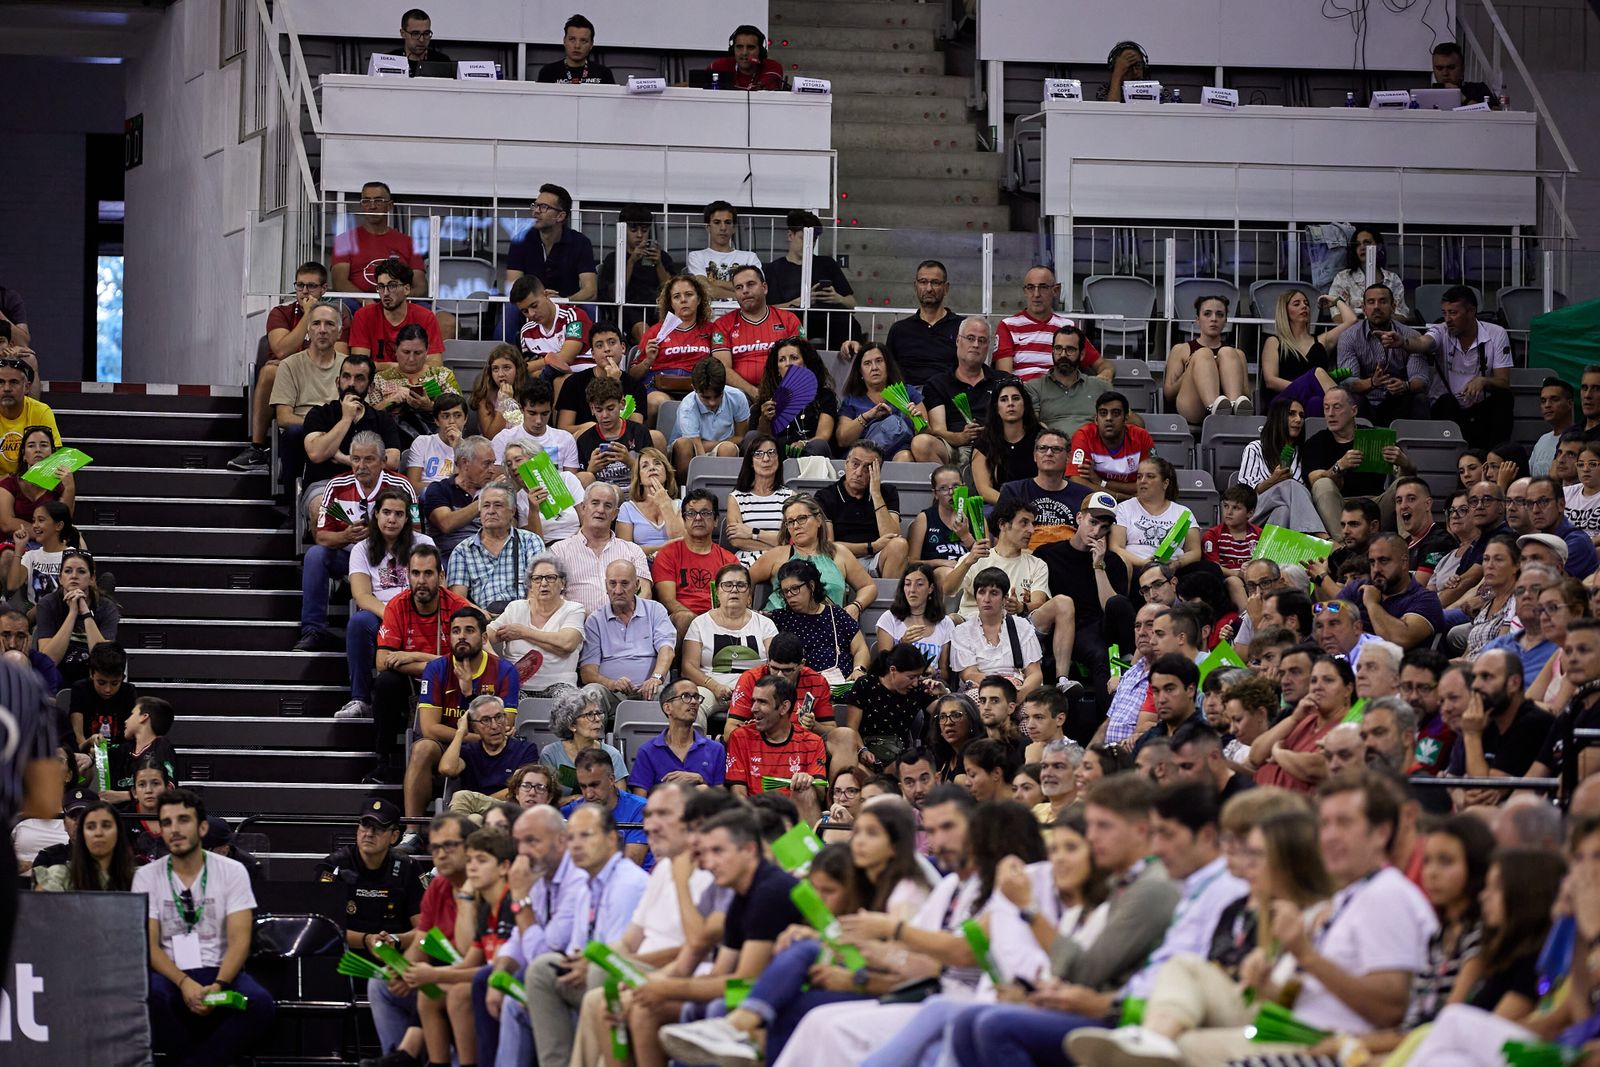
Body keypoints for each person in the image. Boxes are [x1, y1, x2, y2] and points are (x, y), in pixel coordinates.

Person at [135, 788, 275, 1064]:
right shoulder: (146, 876)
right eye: (167, 822)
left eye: (183, 820)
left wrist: (219, 984)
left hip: (222, 971)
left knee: (260, 1004)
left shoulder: (232, 871)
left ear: (202, 827)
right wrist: (184, 982)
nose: (174, 829)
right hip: (171, 974)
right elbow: (149, 946)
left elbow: (240, 940)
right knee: (153, 997)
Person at [362, 812, 473, 1061]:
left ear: (470, 847)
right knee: (380, 984)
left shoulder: (481, 885)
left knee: (433, 985)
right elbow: (422, 937)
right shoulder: (439, 885)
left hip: (468, 976)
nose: (441, 854)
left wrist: (424, 972)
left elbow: (474, 957)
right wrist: (404, 968)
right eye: (435, 847)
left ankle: (408, 1055)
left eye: (449, 845)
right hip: (440, 973)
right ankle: (396, 1056)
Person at [297, 431, 416, 652]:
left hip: (390, 557)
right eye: (355, 459)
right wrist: (345, 537)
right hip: (348, 553)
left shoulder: (402, 486)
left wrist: (380, 533)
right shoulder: (336, 486)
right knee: (315, 555)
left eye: (368, 459)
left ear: (383, 462)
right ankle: (313, 631)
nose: (361, 465)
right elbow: (321, 536)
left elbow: (416, 534)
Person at [403, 606, 519, 819]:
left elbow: (506, 724)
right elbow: (429, 728)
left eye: (469, 630)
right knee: (422, 748)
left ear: (484, 637)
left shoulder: (505, 670)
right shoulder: (436, 668)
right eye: (456, 631)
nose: (461, 636)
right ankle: (412, 831)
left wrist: (469, 693)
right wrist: (474, 736)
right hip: (450, 744)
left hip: (489, 747)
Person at [1383, 284, 1514, 449]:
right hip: (1447, 406)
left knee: (1504, 398)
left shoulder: (1496, 333)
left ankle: (1497, 457)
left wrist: (1483, 381)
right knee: (1446, 402)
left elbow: (1504, 381)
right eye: (1444, 313)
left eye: (1453, 313)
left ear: (1471, 312)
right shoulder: (1440, 330)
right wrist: (1403, 342)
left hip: (1480, 405)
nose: (1447, 319)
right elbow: (1423, 343)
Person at [315, 797, 422, 955]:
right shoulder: (333, 867)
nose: (369, 834)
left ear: (394, 836)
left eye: (379, 828)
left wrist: (396, 940)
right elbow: (323, 927)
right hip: (345, 959)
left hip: (393, 959)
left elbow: (425, 929)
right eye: (365, 825)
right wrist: (366, 940)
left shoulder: (409, 868)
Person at [1303, 384, 1414, 534]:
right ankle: (1341, 547)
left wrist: (1404, 463)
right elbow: (1315, 480)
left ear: (1353, 411)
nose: (1330, 414)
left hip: (1375, 505)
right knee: (1323, 483)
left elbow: (1404, 477)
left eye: (1337, 407)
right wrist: (1339, 466)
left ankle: (1408, 545)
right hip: (1339, 507)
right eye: (1326, 408)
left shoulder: (1374, 437)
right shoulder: (1317, 442)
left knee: (1404, 485)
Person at [752, 493, 877, 619]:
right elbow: (745, 580)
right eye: (790, 522)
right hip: (781, 630)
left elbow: (868, 586)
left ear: (818, 520)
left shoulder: (839, 553)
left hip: (827, 629)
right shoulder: (777, 555)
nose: (796, 526)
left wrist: (856, 606)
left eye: (802, 518)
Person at [578, 558, 675, 712]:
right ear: (605, 586)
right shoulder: (595, 620)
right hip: (611, 693)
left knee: (670, 697)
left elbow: (667, 650)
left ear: (636, 585)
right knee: (590, 694)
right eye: (612, 583)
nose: (618, 590)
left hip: (652, 689)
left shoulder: (655, 610)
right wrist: (612, 684)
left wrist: (655, 678)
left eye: (624, 583)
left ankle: (666, 737)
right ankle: (591, 737)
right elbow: (587, 672)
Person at [681, 562, 775, 715]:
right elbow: (688, 667)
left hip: (756, 692)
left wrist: (753, 689)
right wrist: (715, 687)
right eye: (727, 585)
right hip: (711, 689)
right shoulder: (700, 623)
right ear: (717, 591)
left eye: (741, 585)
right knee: (691, 708)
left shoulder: (765, 624)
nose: (734, 590)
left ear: (749, 593)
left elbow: (775, 663)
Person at [1252, 653, 1356, 792]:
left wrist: (1277, 752)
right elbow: (1256, 755)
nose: (1318, 687)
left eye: (1328, 680)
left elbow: (1313, 768)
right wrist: (1294, 718)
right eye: (1313, 681)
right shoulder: (1302, 719)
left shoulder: (1350, 726)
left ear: (1348, 689)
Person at [486, 553, 586, 699]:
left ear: (563, 583)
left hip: (560, 685)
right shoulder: (516, 608)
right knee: (505, 699)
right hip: (517, 685)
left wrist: (523, 632)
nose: (543, 584)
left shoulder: (574, 609)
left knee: (569, 702)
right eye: (537, 579)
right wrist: (499, 662)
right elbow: (482, 637)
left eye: (551, 578)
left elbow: (567, 643)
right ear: (530, 585)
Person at [547, 482, 651, 614]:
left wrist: (622, 619)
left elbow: (645, 593)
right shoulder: (559, 551)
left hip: (625, 625)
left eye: (607, 506)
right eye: (595, 503)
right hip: (579, 628)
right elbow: (554, 597)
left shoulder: (632, 551)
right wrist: (590, 621)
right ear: (583, 507)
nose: (601, 510)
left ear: (615, 514)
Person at [445, 480, 544, 615]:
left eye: (498, 505)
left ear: (512, 511)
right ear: (480, 512)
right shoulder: (462, 551)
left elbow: (540, 588)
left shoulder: (530, 541)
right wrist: (481, 615)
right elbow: (457, 599)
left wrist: (522, 616)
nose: (491, 511)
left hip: (526, 617)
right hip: (484, 621)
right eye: (486, 506)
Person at [766, 208, 860, 350]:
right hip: (791, 322)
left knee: (849, 324)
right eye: (804, 238)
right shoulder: (773, 269)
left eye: (814, 239)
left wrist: (838, 298)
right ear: (790, 235)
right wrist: (797, 303)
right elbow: (766, 310)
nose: (809, 244)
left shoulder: (827, 264)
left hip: (829, 321)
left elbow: (852, 304)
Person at [996, 266, 1108, 384]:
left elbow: (1103, 365)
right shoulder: (1008, 326)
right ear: (1025, 291)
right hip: (1024, 395)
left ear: (1056, 290)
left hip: (1060, 395)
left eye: (1043, 287)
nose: (1036, 294)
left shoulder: (1067, 327)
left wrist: (1106, 374)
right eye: (1030, 287)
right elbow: (1006, 380)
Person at [1336, 282, 1428, 426]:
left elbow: (1421, 379)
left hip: (1398, 401)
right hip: (1365, 401)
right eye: (1371, 302)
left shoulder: (1411, 336)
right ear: (1364, 308)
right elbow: (1348, 381)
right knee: (1352, 398)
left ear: (1393, 307)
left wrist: (1406, 385)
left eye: (1383, 301)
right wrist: (1372, 382)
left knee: (1419, 398)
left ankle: (1416, 447)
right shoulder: (1349, 337)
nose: (1377, 307)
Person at [817, 440, 912, 579]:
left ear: (877, 471)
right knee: (835, 557)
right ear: (846, 463)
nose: (859, 472)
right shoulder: (826, 496)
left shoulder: (887, 492)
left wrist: (876, 494)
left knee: (899, 545)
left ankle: (889, 600)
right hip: (842, 559)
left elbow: (892, 536)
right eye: (855, 464)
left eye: (868, 468)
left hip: (877, 560)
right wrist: (871, 547)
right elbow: (828, 546)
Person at [835, 342, 943, 463]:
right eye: (867, 363)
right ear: (860, 371)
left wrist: (915, 419)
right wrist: (867, 416)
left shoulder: (907, 392)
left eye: (879, 361)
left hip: (901, 452)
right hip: (865, 458)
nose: (874, 367)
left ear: (888, 365)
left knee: (904, 457)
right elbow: (842, 440)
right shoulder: (852, 399)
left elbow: (927, 434)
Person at [651, 489, 737, 634]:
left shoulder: (729, 560)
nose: (698, 518)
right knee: (685, 618)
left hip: (718, 621)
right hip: (679, 621)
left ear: (716, 520)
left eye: (705, 513)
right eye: (691, 513)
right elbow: (668, 601)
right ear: (684, 521)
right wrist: (699, 623)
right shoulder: (668, 554)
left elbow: (734, 600)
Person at [952, 566, 1045, 699]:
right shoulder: (963, 631)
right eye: (981, 592)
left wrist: (1020, 693)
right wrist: (1003, 687)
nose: (986, 599)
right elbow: (969, 674)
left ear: (1004, 598)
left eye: (994, 593)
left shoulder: (1022, 626)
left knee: (1032, 714)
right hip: (979, 691)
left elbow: (1035, 674)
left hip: (1017, 689)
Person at [439, 694, 540, 818]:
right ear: (474, 727)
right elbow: (447, 769)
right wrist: (460, 733)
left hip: (510, 811)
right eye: (485, 720)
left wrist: (474, 801)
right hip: (476, 813)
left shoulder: (525, 749)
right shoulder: (468, 751)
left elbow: (519, 790)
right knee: (474, 818)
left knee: (462, 797)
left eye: (499, 717)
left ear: (506, 719)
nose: (494, 725)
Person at [1239, 398, 1328, 536]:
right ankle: (1321, 536)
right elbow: (1244, 495)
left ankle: (1270, 553)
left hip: (1290, 519)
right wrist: (1273, 480)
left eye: (1301, 415)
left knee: (1283, 509)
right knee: (1289, 485)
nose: (1298, 420)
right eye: (1291, 414)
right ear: (1278, 417)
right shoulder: (1255, 448)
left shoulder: (1303, 454)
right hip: (1255, 514)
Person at [869, 259, 962, 387]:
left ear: (946, 288)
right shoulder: (899, 330)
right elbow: (887, 369)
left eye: (935, 283)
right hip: (907, 400)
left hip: (947, 396)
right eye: (923, 282)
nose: (929, 288)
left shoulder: (962, 327)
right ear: (915, 286)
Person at [923, 317, 1003, 464]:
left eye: (982, 340)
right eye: (970, 338)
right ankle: (947, 485)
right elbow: (938, 430)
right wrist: (961, 437)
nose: (975, 345)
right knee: (921, 443)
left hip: (995, 446)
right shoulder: (938, 383)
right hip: (953, 447)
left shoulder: (1002, 382)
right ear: (958, 341)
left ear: (988, 347)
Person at [1260, 288, 1356, 410]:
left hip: (1315, 400)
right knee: (1317, 373)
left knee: (1315, 402)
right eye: (1297, 304)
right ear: (1285, 311)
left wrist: (1335, 300)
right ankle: (1347, 411)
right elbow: (1271, 381)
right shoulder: (1274, 342)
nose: (1304, 306)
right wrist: (1308, 386)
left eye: (1306, 303)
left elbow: (1352, 321)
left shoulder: (1322, 341)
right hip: (1284, 402)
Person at [34, 548, 118, 686]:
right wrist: (72, 613)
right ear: (60, 578)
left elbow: (105, 663)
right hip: (57, 674)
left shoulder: (106, 607)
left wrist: (85, 612)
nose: (74, 576)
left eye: (81, 571)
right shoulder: (48, 604)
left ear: (92, 579)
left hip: (94, 677)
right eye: (67, 571)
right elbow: (48, 660)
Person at [1164, 293, 1255, 421]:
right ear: (1197, 319)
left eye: (1220, 314)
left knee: (1227, 352)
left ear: (1225, 321)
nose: (1214, 319)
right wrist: (1191, 369)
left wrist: (1225, 371)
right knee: (1203, 354)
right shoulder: (1181, 350)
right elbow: (1168, 394)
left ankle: (1231, 406)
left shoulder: (1237, 354)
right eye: (1207, 314)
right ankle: (1214, 407)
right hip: (1192, 407)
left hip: (1229, 413)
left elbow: (1246, 395)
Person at [628, 680, 727, 794]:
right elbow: (640, 801)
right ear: (667, 708)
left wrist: (701, 780)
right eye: (686, 696)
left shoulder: (716, 749)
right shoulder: (647, 751)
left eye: (696, 697)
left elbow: (721, 800)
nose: (694, 702)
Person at [505, 183, 598, 303]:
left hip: (568, 306)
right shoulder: (520, 240)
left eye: (543, 207)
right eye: (535, 205)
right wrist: (540, 303)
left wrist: (563, 301)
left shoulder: (580, 242)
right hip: (529, 305)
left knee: (590, 310)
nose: (536, 211)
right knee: (509, 310)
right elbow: (513, 287)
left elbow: (590, 291)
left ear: (560, 216)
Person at [1110, 457, 1202, 572]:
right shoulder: (1124, 508)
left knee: (1210, 568)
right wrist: (1144, 563)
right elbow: (1115, 547)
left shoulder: (1184, 512)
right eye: (1139, 477)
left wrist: (1177, 564)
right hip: (1136, 568)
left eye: (1150, 476)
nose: (1142, 481)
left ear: (1165, 483)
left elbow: (1194, 551)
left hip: (1173, 570)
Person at [750, 337, 836, 458]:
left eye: (794, 358)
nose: (788, 364)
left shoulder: (824, 395)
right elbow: (761, 442)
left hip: (811, 453)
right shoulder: (768, 398)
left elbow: (823, 436)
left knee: (818, 445)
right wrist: (765, 419)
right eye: (782, 360)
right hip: (775, 456)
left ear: (806, 364)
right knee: (752, 437)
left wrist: (803, 443)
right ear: (777, 369)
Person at [599, 204, 673, 342]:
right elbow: (613, 293)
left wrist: (659, 264)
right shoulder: (613, 258)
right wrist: (631, 262)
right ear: (623, 230)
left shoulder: (662, 257)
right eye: (634, 230)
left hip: (657, 307)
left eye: (644, 230)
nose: (639, 235)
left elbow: (669, 289)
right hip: (627, 307)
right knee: (642, 329)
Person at [668, 357, 749, 481]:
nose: (712, 402)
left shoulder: (738, 397)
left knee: (728, 448)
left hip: (722, 447)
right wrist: (720, 442)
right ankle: (685, 490)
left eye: (717, 396)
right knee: (684, 445)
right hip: (690, 452)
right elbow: (699, 455)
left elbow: (740, 437)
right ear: (694, 388)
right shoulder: (687, 407)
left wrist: (713, 444)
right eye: (706, 397)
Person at [349, 259, 443, 363]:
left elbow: (435, 364)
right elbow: (360, 364)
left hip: (416, 378)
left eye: (392, 286)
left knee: (443, 376)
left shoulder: (426, 317)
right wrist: (397, 369)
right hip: (376, 378)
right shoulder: (363, 316)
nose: (385, 293)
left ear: (406, 289)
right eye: (381, 287)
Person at [33, 796, 135, 892]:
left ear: (119, 831)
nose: (98, 833)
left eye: (106, 826)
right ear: (82, 834)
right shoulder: (60, 875)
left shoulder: (137, 876)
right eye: (90, 827)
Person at [1066, 390, 1154, 502]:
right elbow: (1078, 482)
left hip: (1137, 505)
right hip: (1097, 504)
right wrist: (1122, 498)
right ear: (1096, 419)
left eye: (1116, 413)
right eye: (1103, 413)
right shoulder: (1083, 435)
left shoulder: (1142, 437)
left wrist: (1101, 482)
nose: (1109, 418)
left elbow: (1150, 483)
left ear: (1126, 419)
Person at [727, 434, 794, 566]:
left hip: (783, 561)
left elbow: (792, 540)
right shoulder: (736, 497)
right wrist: (777, 544)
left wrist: (752, 532)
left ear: (779, 459)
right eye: (759, 454)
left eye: (771, 453)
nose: (766, 458)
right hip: (747, 561)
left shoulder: (790, 497)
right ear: (751, 462)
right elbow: (736, 540)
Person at [972, 377, 1041, 505]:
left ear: (1024, 404)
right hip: (999, 506)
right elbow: (984, 490)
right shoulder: (985, 441)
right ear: (996, 408)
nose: (1010, 403)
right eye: (1004, 400)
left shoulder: (1040, 436)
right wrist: (1015, 507)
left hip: (1039, 503)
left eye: (1015, 398)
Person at [539, 688, 628, 787]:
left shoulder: (612, 754)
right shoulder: (551, 754)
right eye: (589, 714)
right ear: (572, 725)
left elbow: (620, 796)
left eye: (598, 713)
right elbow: (545, 796)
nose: (598, 719)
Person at [877, 561, 955, 673]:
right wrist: (902, 645)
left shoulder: (945, 623)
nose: (912, 590)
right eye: (908, 584)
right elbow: (883, 669)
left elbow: (945, 674)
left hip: (930, 686)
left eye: (919, 584)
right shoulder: (889, 619)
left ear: (930, 589)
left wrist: (934, 676)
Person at [509, 275, 592, 378]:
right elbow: (524, 369)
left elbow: (566, 358)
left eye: (534, 306)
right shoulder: (526, 331)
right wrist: (547, 361)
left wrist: (539, 364)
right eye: (525, 311)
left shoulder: (574, 316)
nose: (531, 314)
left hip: (583, 379)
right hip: (547, 385)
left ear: (546, 295)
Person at [1326, 227, 1413, 320]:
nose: (1362, 247)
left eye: (1367, 242)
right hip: (1352, 331)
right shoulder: (1343, 278)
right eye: (1358, 244)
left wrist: (1379, 322)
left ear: (1379, 247)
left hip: (1387, 332)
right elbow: (1337, 316)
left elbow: (1402, 315)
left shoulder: (1392, 279)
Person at [4, 498, 79, 605]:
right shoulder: (30, 556)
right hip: (36, 616)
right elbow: (12, 586)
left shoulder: (74, 556)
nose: (34, 525)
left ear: (59, 526)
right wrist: (19, 548)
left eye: (41, 520)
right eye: (34, 520)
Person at [0, 426, 74, 532]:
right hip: (17, 541)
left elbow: (64, 522)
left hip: (50, 541)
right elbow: (6, 523)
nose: (38, 450)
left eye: (44, 445)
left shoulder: (62, 484)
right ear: (24, 455)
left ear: (52, 453)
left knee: (78, 539)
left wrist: (70, 488)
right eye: (31, 446)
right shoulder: (8, 484)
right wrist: (42, 533)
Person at [688, 200, 762, 302]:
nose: (723, 228)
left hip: (741, 315)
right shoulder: (696, 256)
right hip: (709, 316)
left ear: (734, 228)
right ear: (707, 227)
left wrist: (717, 283)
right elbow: (704, 289)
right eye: (717, 222)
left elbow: (757, 290)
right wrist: (742, 295)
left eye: (727, 222)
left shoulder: (750, 257)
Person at [0, 356, 55, 479]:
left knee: (67, 479)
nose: (7, 388)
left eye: (14, 382)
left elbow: (53, 459)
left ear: (27, 387)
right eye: (1, 382)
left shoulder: (41, 411)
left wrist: (19, 481)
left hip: (32, 480)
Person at [403, 390, 467, 495]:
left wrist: (457, 449)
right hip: (426, 499)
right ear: (436, 421)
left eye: (457, 415)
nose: (452, 421)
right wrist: (446, 488)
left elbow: (462, 487)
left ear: (465, 419)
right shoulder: (422, 442)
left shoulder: (471, 449)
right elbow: (413, 486)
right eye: (446, 416)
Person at [536, 13, 614, 83]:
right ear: (564, 41)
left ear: (591, 44)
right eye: (572, 39)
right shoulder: (548, 72)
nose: (577, 46)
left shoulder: (604, 73)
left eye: (583, 40)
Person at [707, 25, 786, 90]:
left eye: (751, 47)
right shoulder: (717, 66)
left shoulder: (772, 67)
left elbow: (762, 92)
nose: (744, 53)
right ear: (732, 49)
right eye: (739, 47)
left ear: (761, 51)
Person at [1430, 40, 1499, 106]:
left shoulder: (1478, 90)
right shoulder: (1427, 93)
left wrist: (1462, 98)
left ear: (1462, 69)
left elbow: (1491, 115)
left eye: (1451, 67)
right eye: (1439, 68)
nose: (1445, 73)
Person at [1531, 377, 1576, 478]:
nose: (1547, 405)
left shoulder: (1579, 440)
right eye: (1543, 401)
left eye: (1554, 399)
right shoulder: (1542, 440)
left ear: (1569, 403)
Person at [388, 8, 451, 73]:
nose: (421, 39)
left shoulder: (442, 62)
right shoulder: (388, 61)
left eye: (426, 33)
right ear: (403, 33)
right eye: (415, 34)